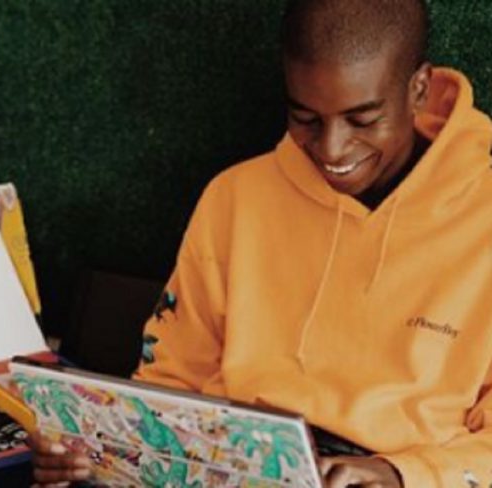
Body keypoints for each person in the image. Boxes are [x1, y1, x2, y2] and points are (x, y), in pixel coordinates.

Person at [31, 0, 492, 486]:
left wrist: (402, 475)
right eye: (306, 117)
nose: (331, 148)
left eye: (361, 120)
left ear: (418, 88)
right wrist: (92, 455)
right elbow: (171, 384)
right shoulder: (236, 197)